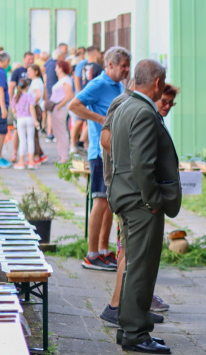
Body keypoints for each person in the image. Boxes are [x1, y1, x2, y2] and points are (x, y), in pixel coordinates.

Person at [109, 59, 181, 354]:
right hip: (140, 201)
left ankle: (130, 327)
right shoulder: (142, 110)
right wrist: (153, 200)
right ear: (157, 83)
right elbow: (142, 164)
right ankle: (137, 333)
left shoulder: (125, 105)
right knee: (142, 266)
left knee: (134, 265)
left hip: (128, 196)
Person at [68, 46, 131, 271]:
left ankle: (104, 251)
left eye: (127, 66)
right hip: (99, 152)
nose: (126, 69)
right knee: (101, 201)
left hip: (114, 151)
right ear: (110, 64)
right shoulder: (98, 84)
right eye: (122, 65)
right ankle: (91, 254)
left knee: (110, 204)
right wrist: (100, 118)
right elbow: (74, 105)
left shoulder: (118, 85)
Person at [8, 51, 35, 162]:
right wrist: (11, 103)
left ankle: (28, 158)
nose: (31, 61)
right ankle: (15, 153)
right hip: (20, 109)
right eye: (29, 59)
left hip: (25, 110)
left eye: (32, 59)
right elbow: (11, 86)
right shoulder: (18, 71)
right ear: (24, 59)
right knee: (18, 133)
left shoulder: (35, 71)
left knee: (27, 138)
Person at [49, 60, 74, 163]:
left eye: (57, 67)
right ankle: (61, 155)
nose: (56, 70)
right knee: (58, 133)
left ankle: (64, 156)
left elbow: (69, 95)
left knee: (62, 132)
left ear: (61, 68)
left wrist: (59, 106)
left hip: (60, 109)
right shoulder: (62, 80)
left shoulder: (66, 80)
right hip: (55, 108)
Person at [11, 78, 38, 170]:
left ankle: (21, 162)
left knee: (22, 140)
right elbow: (32, 108)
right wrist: (35, 120)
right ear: (27, 86)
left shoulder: (15, 97)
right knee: (30, 140)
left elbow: (13, 109)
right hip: (29, 118)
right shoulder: (29, 96)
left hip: (20, 119)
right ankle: (31, 161)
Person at [26, 64, 48, 165]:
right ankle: (41, 154)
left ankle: (36, 156)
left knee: (33, 134)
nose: (28, 73)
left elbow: (38, 95)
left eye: (30, 70)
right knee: (34, 134)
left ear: (36, 71)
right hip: (38, 107)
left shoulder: (35, 82)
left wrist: (32, 103)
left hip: (35, 108)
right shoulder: (38, 81)